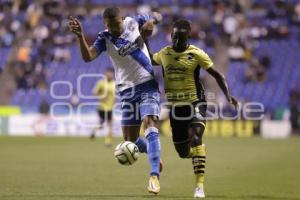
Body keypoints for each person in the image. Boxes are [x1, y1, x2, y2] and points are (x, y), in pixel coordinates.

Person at [68, 7, 163, 194]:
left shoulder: (133, 22)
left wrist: (150, 24)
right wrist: (80, 37)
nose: (113, 28)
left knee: (149, 123)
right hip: (126, 90)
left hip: (146, 82)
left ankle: (154, 176)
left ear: (122, 19)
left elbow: (152, 19)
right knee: (131, 139)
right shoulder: (104, 38)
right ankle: (154, 153)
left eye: (116, 24)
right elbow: (88, 57)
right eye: (109, 25)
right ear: (105, 24)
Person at [149, 19, 238, 198]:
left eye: (180, 37)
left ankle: (199, 187)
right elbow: (151, 58)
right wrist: (144, 39)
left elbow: (217, 75)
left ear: (188, 35)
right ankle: (199, 155)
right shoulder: (165, 53)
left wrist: (227, 96)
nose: (176, 41)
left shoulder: (197, 54)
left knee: (196, 137)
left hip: (195, 103)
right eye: (174, 36)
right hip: (175, 108)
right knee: (183, 153)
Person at [90, 67, 115, 146]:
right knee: (108, 124)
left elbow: (114, 95)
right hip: (102, 107)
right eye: (107, 73)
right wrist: (100, 97)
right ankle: (107, 141)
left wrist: (114, 102)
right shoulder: (101, 83)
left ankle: (95, 131)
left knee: (106, 124)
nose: (108, 74)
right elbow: (94, 92)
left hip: (110, 107)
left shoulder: (114, 83)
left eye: (110, 73)